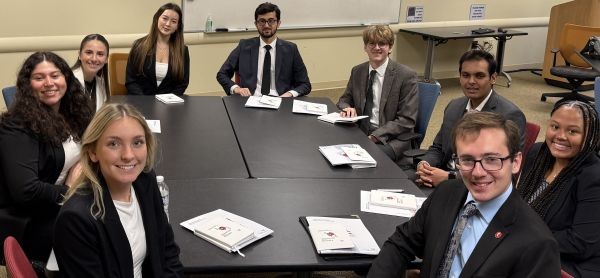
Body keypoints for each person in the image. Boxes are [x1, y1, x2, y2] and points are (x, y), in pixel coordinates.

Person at [368, 112, 560, 278]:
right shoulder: (446, 192)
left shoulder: (537, 244)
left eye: (492, 159)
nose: (478, 172)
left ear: (516, 162)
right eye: (467, 160)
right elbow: (402, 242)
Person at [54, 103, 183, 277]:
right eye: (114, 144)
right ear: (93, 152)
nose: (128, 155)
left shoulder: (145, 180)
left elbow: (167, 251)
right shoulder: (76, 219)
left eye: (137, 142)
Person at [0, 52, 93, 265]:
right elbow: (26, 191)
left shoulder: (70, 112)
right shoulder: (17, 127)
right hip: (32, 218)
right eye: (39, 78)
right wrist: (69, 191)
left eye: (55, 75)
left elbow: (88, 144)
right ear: (28, 85)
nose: (49, 83)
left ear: (66, 79)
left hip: (61, 201)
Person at [416, 49, 526, 187]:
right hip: (440, 176)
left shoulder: (509, 115)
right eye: (466, 75)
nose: (471, 81)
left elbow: (503, 169)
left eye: (479, 76)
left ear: (493, 78)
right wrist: (425, 165)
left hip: (478, 188)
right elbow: (438, 147)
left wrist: (449, 178)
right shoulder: (454, 106)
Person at [518, 100, 600, 278]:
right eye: (555, 127)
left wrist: (525, 238)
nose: (561, 136)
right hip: (531, 245)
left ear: (590, 136)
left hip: (570, 262)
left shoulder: (594, 177)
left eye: (573, 131)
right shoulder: (538, 153)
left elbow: (581, 242)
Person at [337, 25, 418, 164]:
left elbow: (406, 120)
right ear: (365, 47)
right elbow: (344, 100)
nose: (377, 48)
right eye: (372, 43)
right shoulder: (358, 71)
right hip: (360, 131)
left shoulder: (406, 76)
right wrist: (347, 108)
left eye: (382, 43)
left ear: (390, 47)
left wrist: (375, 136)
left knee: (358, 160)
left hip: (391, 139)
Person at [216, 2, 311, 97]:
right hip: (251, 100)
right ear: (256, 24)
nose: (266, 25)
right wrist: (236, 88)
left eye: (271, 21)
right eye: (262, 21)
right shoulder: (244, 46)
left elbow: (305, 84)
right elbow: (222, 74)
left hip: (281, 100)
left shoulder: (291, 49)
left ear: (278, 23)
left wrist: (289, 94)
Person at [126, 3, 189, 95]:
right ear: (156, 19)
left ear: (177, 27)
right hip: (140, 102)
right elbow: (131, 81)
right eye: (165, 18)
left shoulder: (182, 50)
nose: (168, 24)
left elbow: (182, 84)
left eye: (174, 21)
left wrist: (169, 101)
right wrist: (145, 102)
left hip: (169, 105)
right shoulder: (139, 46)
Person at [72, 33, 110, 111]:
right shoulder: (68, 81)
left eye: (100, 54)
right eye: (89, 52)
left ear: (106, 59)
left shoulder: (103, 84)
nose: (94, 59)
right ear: (79, 55)